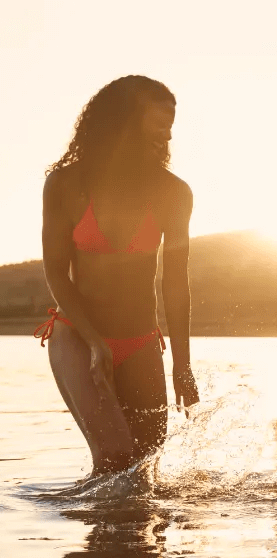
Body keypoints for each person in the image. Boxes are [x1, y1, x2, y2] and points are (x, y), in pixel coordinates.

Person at [36, 75, 200, 477]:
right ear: (122, 121)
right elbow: (56, 272)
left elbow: (176, 283)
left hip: (141, 341)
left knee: (142, 472)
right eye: (160, 125)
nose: (167, 137)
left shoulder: (173, 192)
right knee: (113, 460)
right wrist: (94, 342)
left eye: (171, 127)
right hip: (77, 333)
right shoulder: (65, 185)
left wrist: (183, 366)